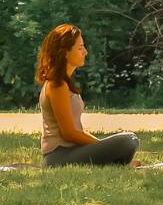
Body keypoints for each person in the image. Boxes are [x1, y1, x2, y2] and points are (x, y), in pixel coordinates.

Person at [36, 24, 139, 167]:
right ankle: (117, 162)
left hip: (72, 151)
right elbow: (69, 133)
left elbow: (76, 132)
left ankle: (114, 163)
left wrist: (103, 147)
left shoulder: (64, 83)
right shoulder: (57, 85)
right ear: (65, 52)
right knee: (128, 140)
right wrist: (103, 147)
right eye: (80, 48)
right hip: (60, 157)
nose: (85, 52)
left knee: (129, 140)